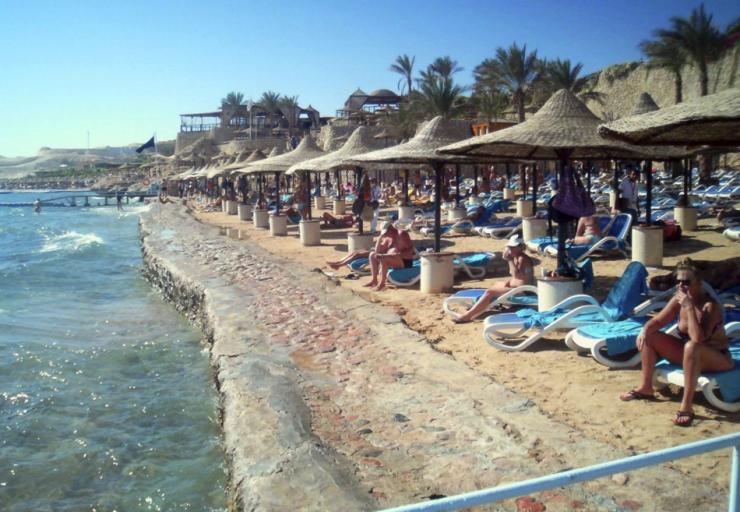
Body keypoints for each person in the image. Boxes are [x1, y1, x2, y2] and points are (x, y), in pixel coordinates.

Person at [619, 259, 733, 427]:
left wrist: (689, 307)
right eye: (678, 281)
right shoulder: (677, 300)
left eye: (686, 282)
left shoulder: (710, 306)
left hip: (717, 358)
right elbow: (657, 321)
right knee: (651, 336)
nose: (681, 286)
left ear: (699, 283)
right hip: (690, 355)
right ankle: (646, 388)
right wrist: (645, 330)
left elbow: (698, 339)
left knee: (692, 346)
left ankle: (687, 406)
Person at [452, 235, 535, 323]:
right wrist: (510, 260)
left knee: (490, 292)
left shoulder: (523, 258)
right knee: (496, 285)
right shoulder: (517, 256)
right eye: (509, 247)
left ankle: (467, 316)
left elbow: (515, 274)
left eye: (513, 247)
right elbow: (513, 273)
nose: (510, 249)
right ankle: (482, 305)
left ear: (520, 247)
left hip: (522, 290)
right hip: (517, 287)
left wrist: (509, 260)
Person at [364, 221, 414, 291]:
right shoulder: (388, 237)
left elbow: (411, 251)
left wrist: (399, 255)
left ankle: (382, 284)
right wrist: (379, 239)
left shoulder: (402, 234)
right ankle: (374, 280)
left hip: (405, 261)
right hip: (393, 259)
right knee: (372, 255)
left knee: (384, 259)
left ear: (391, 228)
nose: (386, 234)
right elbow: (376, 252)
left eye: (386, 232)